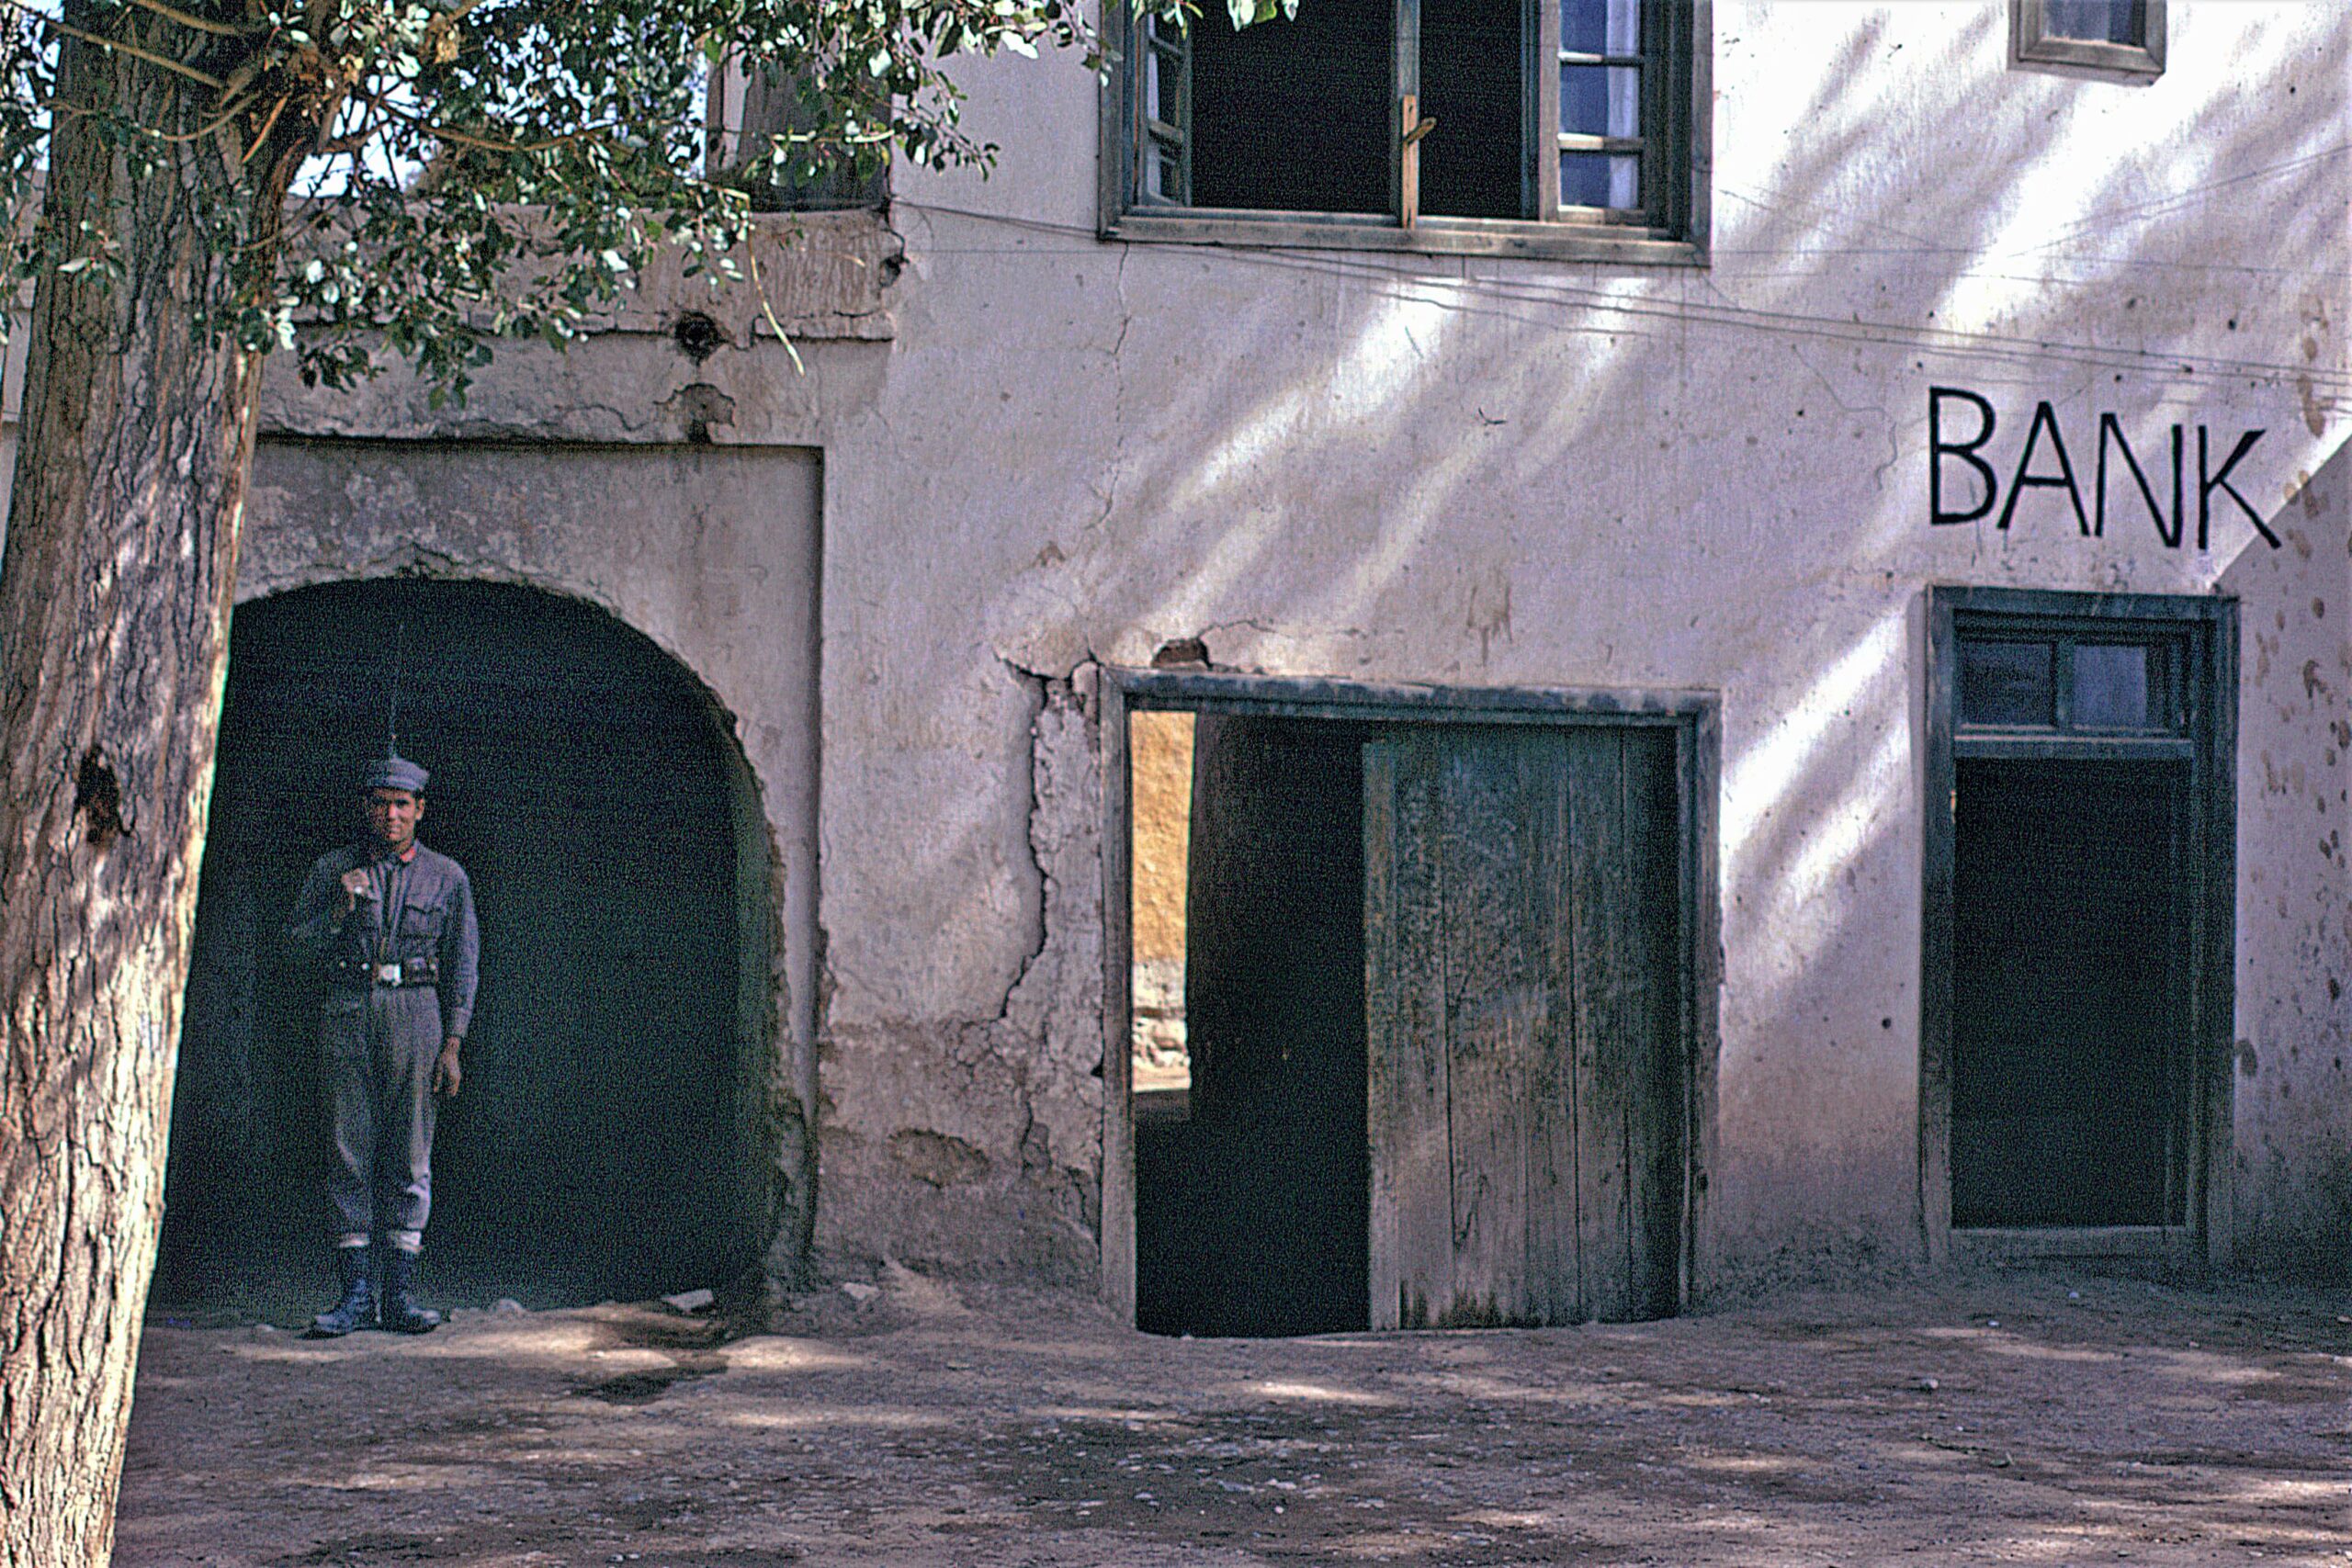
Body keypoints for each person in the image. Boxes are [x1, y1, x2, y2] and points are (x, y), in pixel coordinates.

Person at [285, 750, 479, 1336]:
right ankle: (353, 1295)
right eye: (380, 803)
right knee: (349, 1149)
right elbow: (294, 950)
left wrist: (453, 1043)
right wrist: (341, 910)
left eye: (402, 804)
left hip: (417, 1011)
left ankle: (399, 1293)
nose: (390, 815)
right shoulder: (331, 870)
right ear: (364, 809)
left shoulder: (447, 877)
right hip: (347, 1010)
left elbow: (466, 966)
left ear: (420, 810)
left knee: (411, 1153)